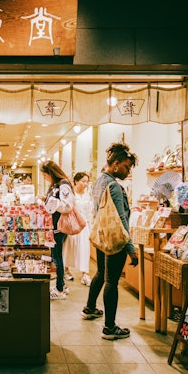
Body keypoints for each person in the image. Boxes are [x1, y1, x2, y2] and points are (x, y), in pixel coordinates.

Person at [82, 142, 139, 340]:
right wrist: (131, 248)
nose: (127, 171)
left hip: (101, 236)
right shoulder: (114, 186)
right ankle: (109, 327)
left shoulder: (99, 182)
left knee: (99, 272)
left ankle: (90, 307)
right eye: (126, 166)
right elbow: (121, 218)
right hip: (115, 239)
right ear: (115, 164)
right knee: (111, 281)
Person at [39, 160, 75, 300]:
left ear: (50, 173)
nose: (44, 178)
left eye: (45, 175)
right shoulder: (56, 185)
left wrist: (50, 202)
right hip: (54, 226)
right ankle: (61, 284)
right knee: (57, 255)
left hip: (59, 227)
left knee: (57, 256)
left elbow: (67, 206)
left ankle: (59, 289)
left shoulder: (63, 185)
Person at [63, 172, 93, 286]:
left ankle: (85, 274)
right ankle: (66, 270)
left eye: (87, 182)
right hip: (72, 225)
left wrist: (90, 225)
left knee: (84, 249)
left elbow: (90, 211)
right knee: (70, 247)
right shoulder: (71, 194)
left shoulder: (87, 195)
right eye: (83, 181)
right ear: (76, 181)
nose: (85, 184)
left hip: (84, 225)